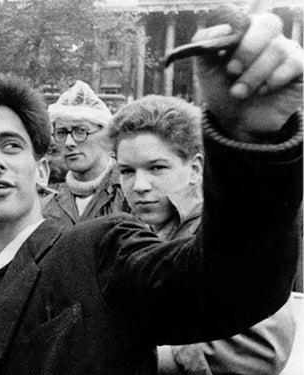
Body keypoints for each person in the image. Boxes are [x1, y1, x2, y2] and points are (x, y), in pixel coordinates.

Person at [0, 11, 302, 375]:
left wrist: (251, 137)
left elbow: (231, 284)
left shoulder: (97, 249)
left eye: (10, 145)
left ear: (41, 169)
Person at [110, 95, 296, 375]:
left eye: (156, 167)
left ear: (195, 169)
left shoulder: (227, 233)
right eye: (126, 171)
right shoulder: (138, 233)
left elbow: (263, 347)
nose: (139, 186)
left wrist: (143, 356)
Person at [43, 80, 130, 227]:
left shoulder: (130, 192)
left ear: (105, 135)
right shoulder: (48, 201)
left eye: (80, 131)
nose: (69, 142)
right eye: (61, 132)